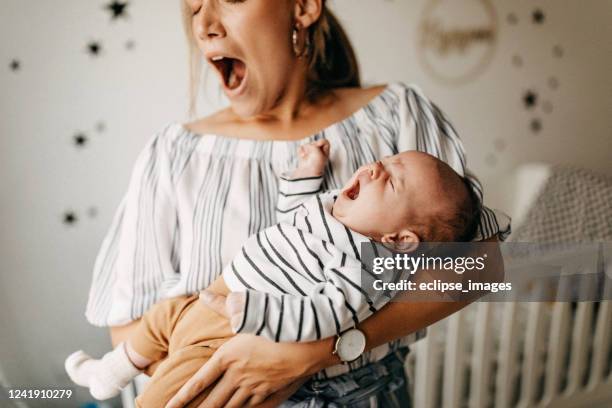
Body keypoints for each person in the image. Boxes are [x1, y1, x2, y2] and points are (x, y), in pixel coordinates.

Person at [84, 0, 511, 406]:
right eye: (194, 6)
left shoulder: (397, 114)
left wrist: (314, 353)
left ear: (304, 6)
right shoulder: (173, 154)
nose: (203, 25)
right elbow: (128, 327)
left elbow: (479, 265)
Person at [69, 141, 482, 406]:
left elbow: (329, 314)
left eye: (392, 181)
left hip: (232, 337)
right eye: (385, 161)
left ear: (402, 240)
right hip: (203, 305)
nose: (375, 168)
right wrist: (308, 175)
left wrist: (255, 313)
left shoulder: (369, 267)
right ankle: (111, 373)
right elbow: (292, 215)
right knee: (161, 317)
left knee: (176, 391)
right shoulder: (332, 207)